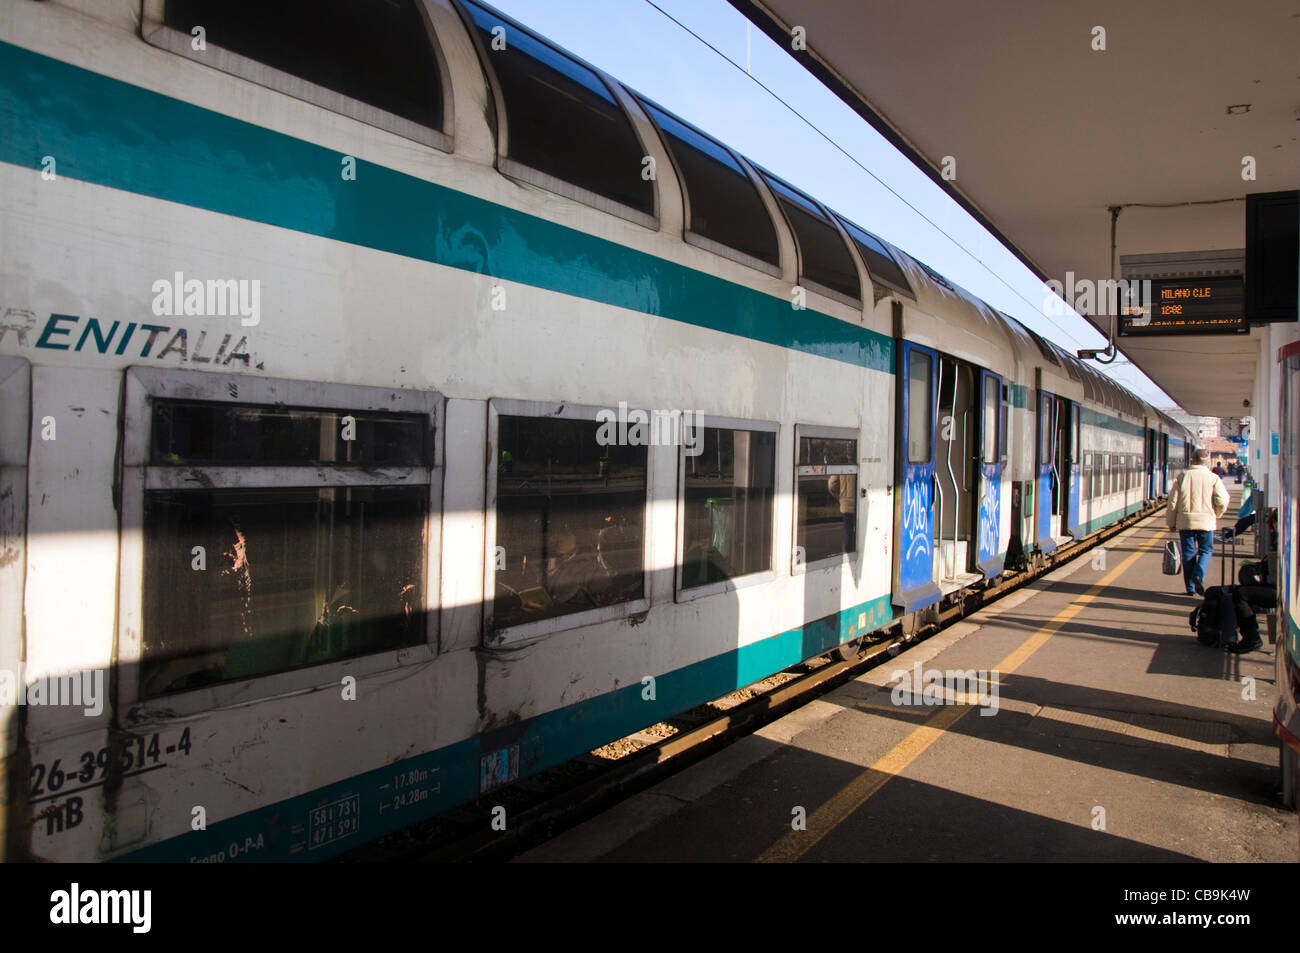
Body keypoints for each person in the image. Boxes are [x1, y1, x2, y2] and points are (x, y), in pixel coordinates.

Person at [1166, 448, 1229, 596]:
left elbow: (1172, 502)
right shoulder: (1213, 478)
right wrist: (1217, 513)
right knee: (1206, 550)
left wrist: (1171, 523)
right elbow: (1222, 500)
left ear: (1192, 460)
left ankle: (1190, 588)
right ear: (1206, 462)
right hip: (1207, 521)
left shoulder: (1182, 477)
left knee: (1188, 553)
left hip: (1185, 521)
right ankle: (1198, 574)